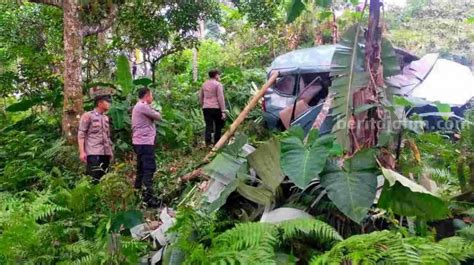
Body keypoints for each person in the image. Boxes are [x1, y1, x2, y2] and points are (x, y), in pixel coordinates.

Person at [132, 87, 161, 207]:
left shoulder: (138, 106)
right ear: (147, 95)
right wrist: (157, 110)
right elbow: (158, 116)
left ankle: (138, 193)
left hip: (140, 141)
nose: (152, 98)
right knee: (149, 168)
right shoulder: (143, 106)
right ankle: (148, 197)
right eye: (151, 95)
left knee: (141, 168)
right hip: (144, 142)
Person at [78, 94, 113, 183]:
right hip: (93, 152)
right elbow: (81, 134)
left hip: (105, 153)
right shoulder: (88, 116)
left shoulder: (106, 118)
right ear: (100, 103)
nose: (109, 104)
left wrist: (110, 152)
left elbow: (107, 136)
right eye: (107, 102)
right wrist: (82, 152)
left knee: (104, 177)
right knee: (93, 177)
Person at [199, 70, 227, 146]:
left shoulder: (204, 84)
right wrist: (223, 111)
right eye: (219, 75)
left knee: (208, 125)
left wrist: (203, 106)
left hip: (206, 108)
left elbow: (200, 97)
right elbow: (220, 98)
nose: (219, 76)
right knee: (218, 126)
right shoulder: (218, 84)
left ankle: (208, 143)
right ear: (216, 75)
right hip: (216, 108)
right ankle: (217, 143)